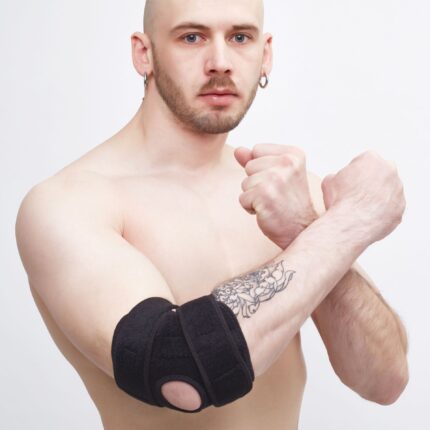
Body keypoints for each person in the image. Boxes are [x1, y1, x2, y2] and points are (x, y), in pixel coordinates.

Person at [15, 0, 409, 428]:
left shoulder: (287, 192)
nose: (220, 61)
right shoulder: (68, 204)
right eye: (191, 37)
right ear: (144, 53)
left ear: (265, 54)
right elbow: (178, 372)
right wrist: (346, 225)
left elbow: (384, 382)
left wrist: (306, 228)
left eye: (240, 37)